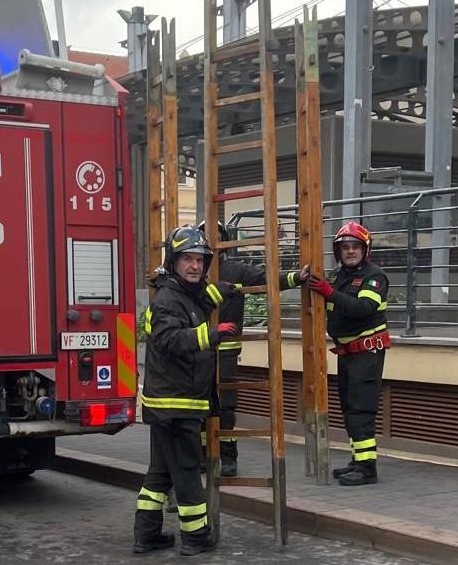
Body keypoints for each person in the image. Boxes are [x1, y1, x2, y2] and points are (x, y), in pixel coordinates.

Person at [133, 225, 241, 556]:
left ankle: (146, 535)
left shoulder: (182, 295)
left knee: (160, 474)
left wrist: (229, 290)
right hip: (176, 406)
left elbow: (200, 300)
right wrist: (211, 334)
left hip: (170, 403)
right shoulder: (168, 300)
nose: (195, 266)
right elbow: (169, 340)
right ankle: (195, 537)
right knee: (187, 473)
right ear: (174, 262)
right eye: (187, 260)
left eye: (199, 260)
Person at [198, 220, 309, 477]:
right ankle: (204, 455)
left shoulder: (235, 271)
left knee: (225, 406)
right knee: (199, 405)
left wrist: (295, 278)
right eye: (204, 235)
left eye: (215, 236)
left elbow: (265, 279)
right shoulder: (192, 271)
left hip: (225, 351)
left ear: (225, 243)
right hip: (197, 350)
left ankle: (227, 457)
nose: (210, 240)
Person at [306, 221, 390, 487]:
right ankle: (357, 461)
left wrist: (329, 293)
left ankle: (367, 468)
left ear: (365, 250)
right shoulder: (338, 276)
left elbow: (363, 308)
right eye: (345, 247)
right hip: (348, 353)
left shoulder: (374, 277)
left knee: (361, 409)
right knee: (349, 408)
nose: (350, 251)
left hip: (366, 352)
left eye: (355, 247)